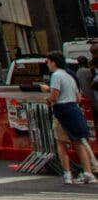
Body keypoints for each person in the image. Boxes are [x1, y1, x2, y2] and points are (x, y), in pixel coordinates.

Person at [43, 51, 97, 185]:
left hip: (62, 110)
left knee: (61, 143)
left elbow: (54, 96)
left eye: (48, 62)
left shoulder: (56, 75)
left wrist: (48, 98)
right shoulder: (69, 76)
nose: (48, 65)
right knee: (79, 142)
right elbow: (78, 98)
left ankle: (67, 174)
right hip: (74, 109)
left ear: (53, 62)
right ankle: (88, 172)